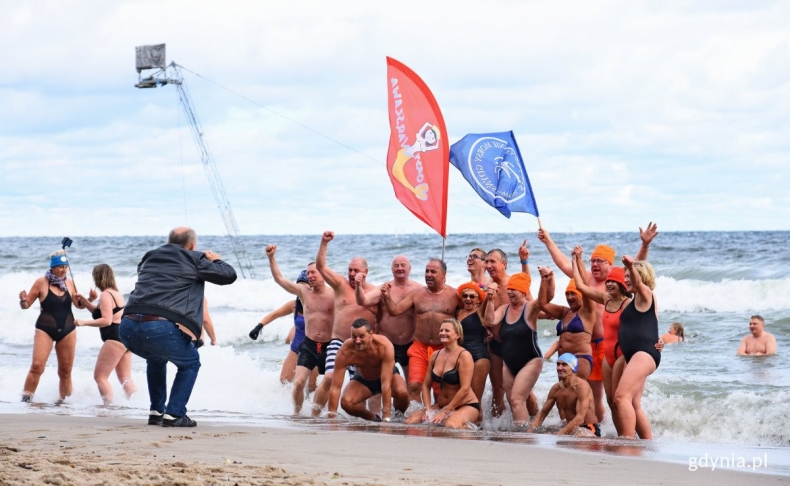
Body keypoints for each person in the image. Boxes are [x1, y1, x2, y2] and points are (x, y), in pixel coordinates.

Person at [537, 223, 658, 423]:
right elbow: (565, 265)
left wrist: (644, 245)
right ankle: (597, 431)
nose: (595, 265)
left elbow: (636, 270)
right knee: (593, 396)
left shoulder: (617, 283)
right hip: (586, 347)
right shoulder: (587, 280)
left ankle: (613, 431)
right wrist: (548, 240)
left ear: (611, 266)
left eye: (600, 261)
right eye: (593, 260)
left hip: (612, 345)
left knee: (615, 396)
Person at [120, 227, 237, 427]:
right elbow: (229, 275)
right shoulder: (194, 258)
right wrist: (215, 259)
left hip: (127, 327)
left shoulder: (149, 256)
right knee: (191, 363)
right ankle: (174, 414)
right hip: (157, 327)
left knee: (155, 359)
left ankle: (156, 411)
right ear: (191, 245)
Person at [266, 246, 334, 415]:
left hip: (328, 345)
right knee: (299, 383)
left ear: (323, 274)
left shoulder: (334, 293)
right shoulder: (303, 293)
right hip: (309, 345)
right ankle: (297, 413)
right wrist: (271, 258)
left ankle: (316, 414)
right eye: (308, 273)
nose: (310, 276)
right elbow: (280, 279)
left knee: (325, 383)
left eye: (314, 272)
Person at [380, 258, 460, 402]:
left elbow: (466, 317)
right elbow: (395, 311)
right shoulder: (417, 294)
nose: (428, 274)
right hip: (419, 347)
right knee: (414, 386)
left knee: (440, 389)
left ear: (443, 274)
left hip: (444, 348)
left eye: (433, 272)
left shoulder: (455, 295)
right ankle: (414, 420)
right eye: (427, 271)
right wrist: (386, 297)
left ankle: (435, 419)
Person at [315, 231, 377, 415]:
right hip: (339, 342)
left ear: (365, 272)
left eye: (356, 270)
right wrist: (324, 242)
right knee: (329, 378)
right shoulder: (340, 284)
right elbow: (321, 266)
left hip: (363, 346)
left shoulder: (374, 292)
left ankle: (368, 418)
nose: (351, 273)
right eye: (350, 269)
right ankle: (314, 415)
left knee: (361, 385)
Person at [18, 250, 92, 402]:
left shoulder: (69, 283)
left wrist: (89, 298)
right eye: (60, 266)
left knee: (65, 372)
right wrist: (23, 300)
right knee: (37, 366)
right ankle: (25, 401)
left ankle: (64, 404)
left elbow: (78, 305)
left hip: (67, 330)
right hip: (45, 329)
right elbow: (26, 306)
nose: (63, 269)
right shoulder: (41, 282)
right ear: (52, 267)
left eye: (65, 266)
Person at [571, 253, 632, 435]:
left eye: (614, 282)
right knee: (611, 401)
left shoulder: (629, 304)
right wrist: (575, 262)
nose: (609, 284)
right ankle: (621, 435)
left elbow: (645, 322)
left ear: (622, 285)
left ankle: (631, 436)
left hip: (622, 355)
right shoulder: (606, 300)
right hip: (607, 357)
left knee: (621, 399)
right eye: (608, 282)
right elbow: (581, 286)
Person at [355, 255, 422, 395]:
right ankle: (375, 416)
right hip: (387, 342)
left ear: (410, 268)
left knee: (414, 385)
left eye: (403, 265)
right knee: (378, 383)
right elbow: (363, 301)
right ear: (391, 269)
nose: (400, 268)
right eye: (396, 266)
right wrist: (358, 286)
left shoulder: (419, 289)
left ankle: (412, 415)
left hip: (410, 343)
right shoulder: (384, 288)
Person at [484, 273, 542, 428]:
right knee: (512, 400)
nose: (509, 292)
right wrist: (490, 300)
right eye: (509, 289)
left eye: (514, 289)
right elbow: (489, 321)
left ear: (523, 292)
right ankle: (530, 425)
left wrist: (546, 278)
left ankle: (523, 436)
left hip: (530, 360)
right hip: (509, 363)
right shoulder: (504, 308)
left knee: (517, 399)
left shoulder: (530, 307)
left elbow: (545, 298)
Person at [74, 264, 136, 404]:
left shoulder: (105, 295)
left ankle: (108, 407)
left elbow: (106, 321)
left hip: (114, 337)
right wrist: (85, 301)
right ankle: (138, 405)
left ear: (98, 278)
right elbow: (101, 313)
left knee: (100, 377)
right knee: (125, 377)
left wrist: (83, 322)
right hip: (125, 337)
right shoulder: (115, 293)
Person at [483, 243, 534, 417]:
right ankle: (497, 427)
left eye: (492, 261)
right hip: (496, 345)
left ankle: (535, 422)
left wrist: (524, 261)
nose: (488, 265)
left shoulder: (514, 284)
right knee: (498, 387)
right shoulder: (487, 287)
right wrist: (486, 329)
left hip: (517, 346)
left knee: (524, 391)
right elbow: (484, 315)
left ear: (504, 264)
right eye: (486, 262)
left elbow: (532, 306)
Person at [327, 319, 409, 421]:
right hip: (364, 379)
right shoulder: (345, 351)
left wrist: (386, 418)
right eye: (354, 336)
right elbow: (335, 387)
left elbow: (386, 383)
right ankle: (372, 417)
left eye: (361, 336)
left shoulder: (384, 346)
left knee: (402, 393)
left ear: (371, 333)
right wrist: (331, 418)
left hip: (387, 377)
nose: (357, 341)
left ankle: (398, 417)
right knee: (346, 402)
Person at [405, 319, 480, 429]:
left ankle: (470, 429)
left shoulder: (464, 355)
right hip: (441, 405)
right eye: (441, 330)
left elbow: (465, 389)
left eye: (447, 330)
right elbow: (426, 385)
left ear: (458, 335)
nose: (442, 333)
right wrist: (428, 408)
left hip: (466, 405)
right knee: (411, 421)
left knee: (450, 425)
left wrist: (446, 411)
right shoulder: (435, 355)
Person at [615, 256, 659, 439]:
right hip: (635, 355)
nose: (626, 279)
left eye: (629, 276)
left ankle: (627, 440)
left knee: (621, 396)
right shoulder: (637, 301)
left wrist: (631, 267)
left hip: (643, 353)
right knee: (633, 402)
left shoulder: (646, 293)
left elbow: (638, 282)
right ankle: (647, 442)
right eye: (624, 276)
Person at [249, 270, 317, 389]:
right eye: (298, 286)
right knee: (284, 381)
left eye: (304, 286)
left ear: (311, 288)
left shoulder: (320, 304)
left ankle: (312, 407)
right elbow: (274, 315)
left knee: (311, 386)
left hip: (315, 349)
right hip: (297, 347)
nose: (300, 289)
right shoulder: (293, 305)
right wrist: (259, 326)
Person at [537, 256, 596, 381]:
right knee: (564, 397)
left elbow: (585, 286)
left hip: (581, 358)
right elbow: (543, 304)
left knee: (576, 393)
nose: (569, 297)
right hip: (563, 361)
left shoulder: (587, 311)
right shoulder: (565, 312)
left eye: (573, 294)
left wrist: (578, 260)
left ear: (581, 294)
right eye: (567, 294)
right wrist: (544, 280)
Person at [528, 353, 600, 437]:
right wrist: (529, 432)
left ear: (573, 368)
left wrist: (560, 434)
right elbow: (542, 414)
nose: (559, 368)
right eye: (558, 364)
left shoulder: (582, 387)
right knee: (547, 430)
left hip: (588, 427)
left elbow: (580, 418)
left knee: (578, 434)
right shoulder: (556, 388)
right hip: (569, 426)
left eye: (564, 365)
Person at [455, 282, 491, 410]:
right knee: (460, 396)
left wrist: (488, 289)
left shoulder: (480, 312)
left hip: (479, 358)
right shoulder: (457, 312)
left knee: (475, 400)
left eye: (472, 296)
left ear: (478, 300)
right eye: (465, 296)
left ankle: (478, 428)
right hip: (460, 358)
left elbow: (490, 292)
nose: (468, 299)